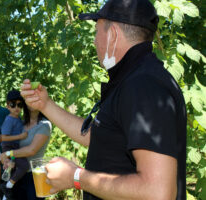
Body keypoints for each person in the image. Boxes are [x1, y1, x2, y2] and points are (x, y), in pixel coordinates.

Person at [20, 0, 187, 200]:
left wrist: (75, 177)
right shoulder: (131, 79)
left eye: (96, 32)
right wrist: (45, 105)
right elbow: (102, 137)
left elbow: (158, 193)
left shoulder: (143, 85)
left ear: (113, 34)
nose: (94, 41)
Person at [0, 105, 52, 200]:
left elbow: (31, 150)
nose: (32, 102)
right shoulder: (21, 123)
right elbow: (13, 145)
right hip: (17, 175)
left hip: (35, 176)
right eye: (29, 98)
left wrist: (8, 154)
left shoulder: (44, 125)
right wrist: (9, 160)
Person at [0, 90, 29, 199]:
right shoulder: (9, 120)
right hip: (9, 147)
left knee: (13, 167)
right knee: (24, 165)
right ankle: (8, 186)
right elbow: (4, 137)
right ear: (7, 106)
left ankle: (8, 191)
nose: (16, 107)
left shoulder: (18, 118)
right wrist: (20, 137)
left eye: (19, 105)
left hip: (14, 147)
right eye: (13, 104)